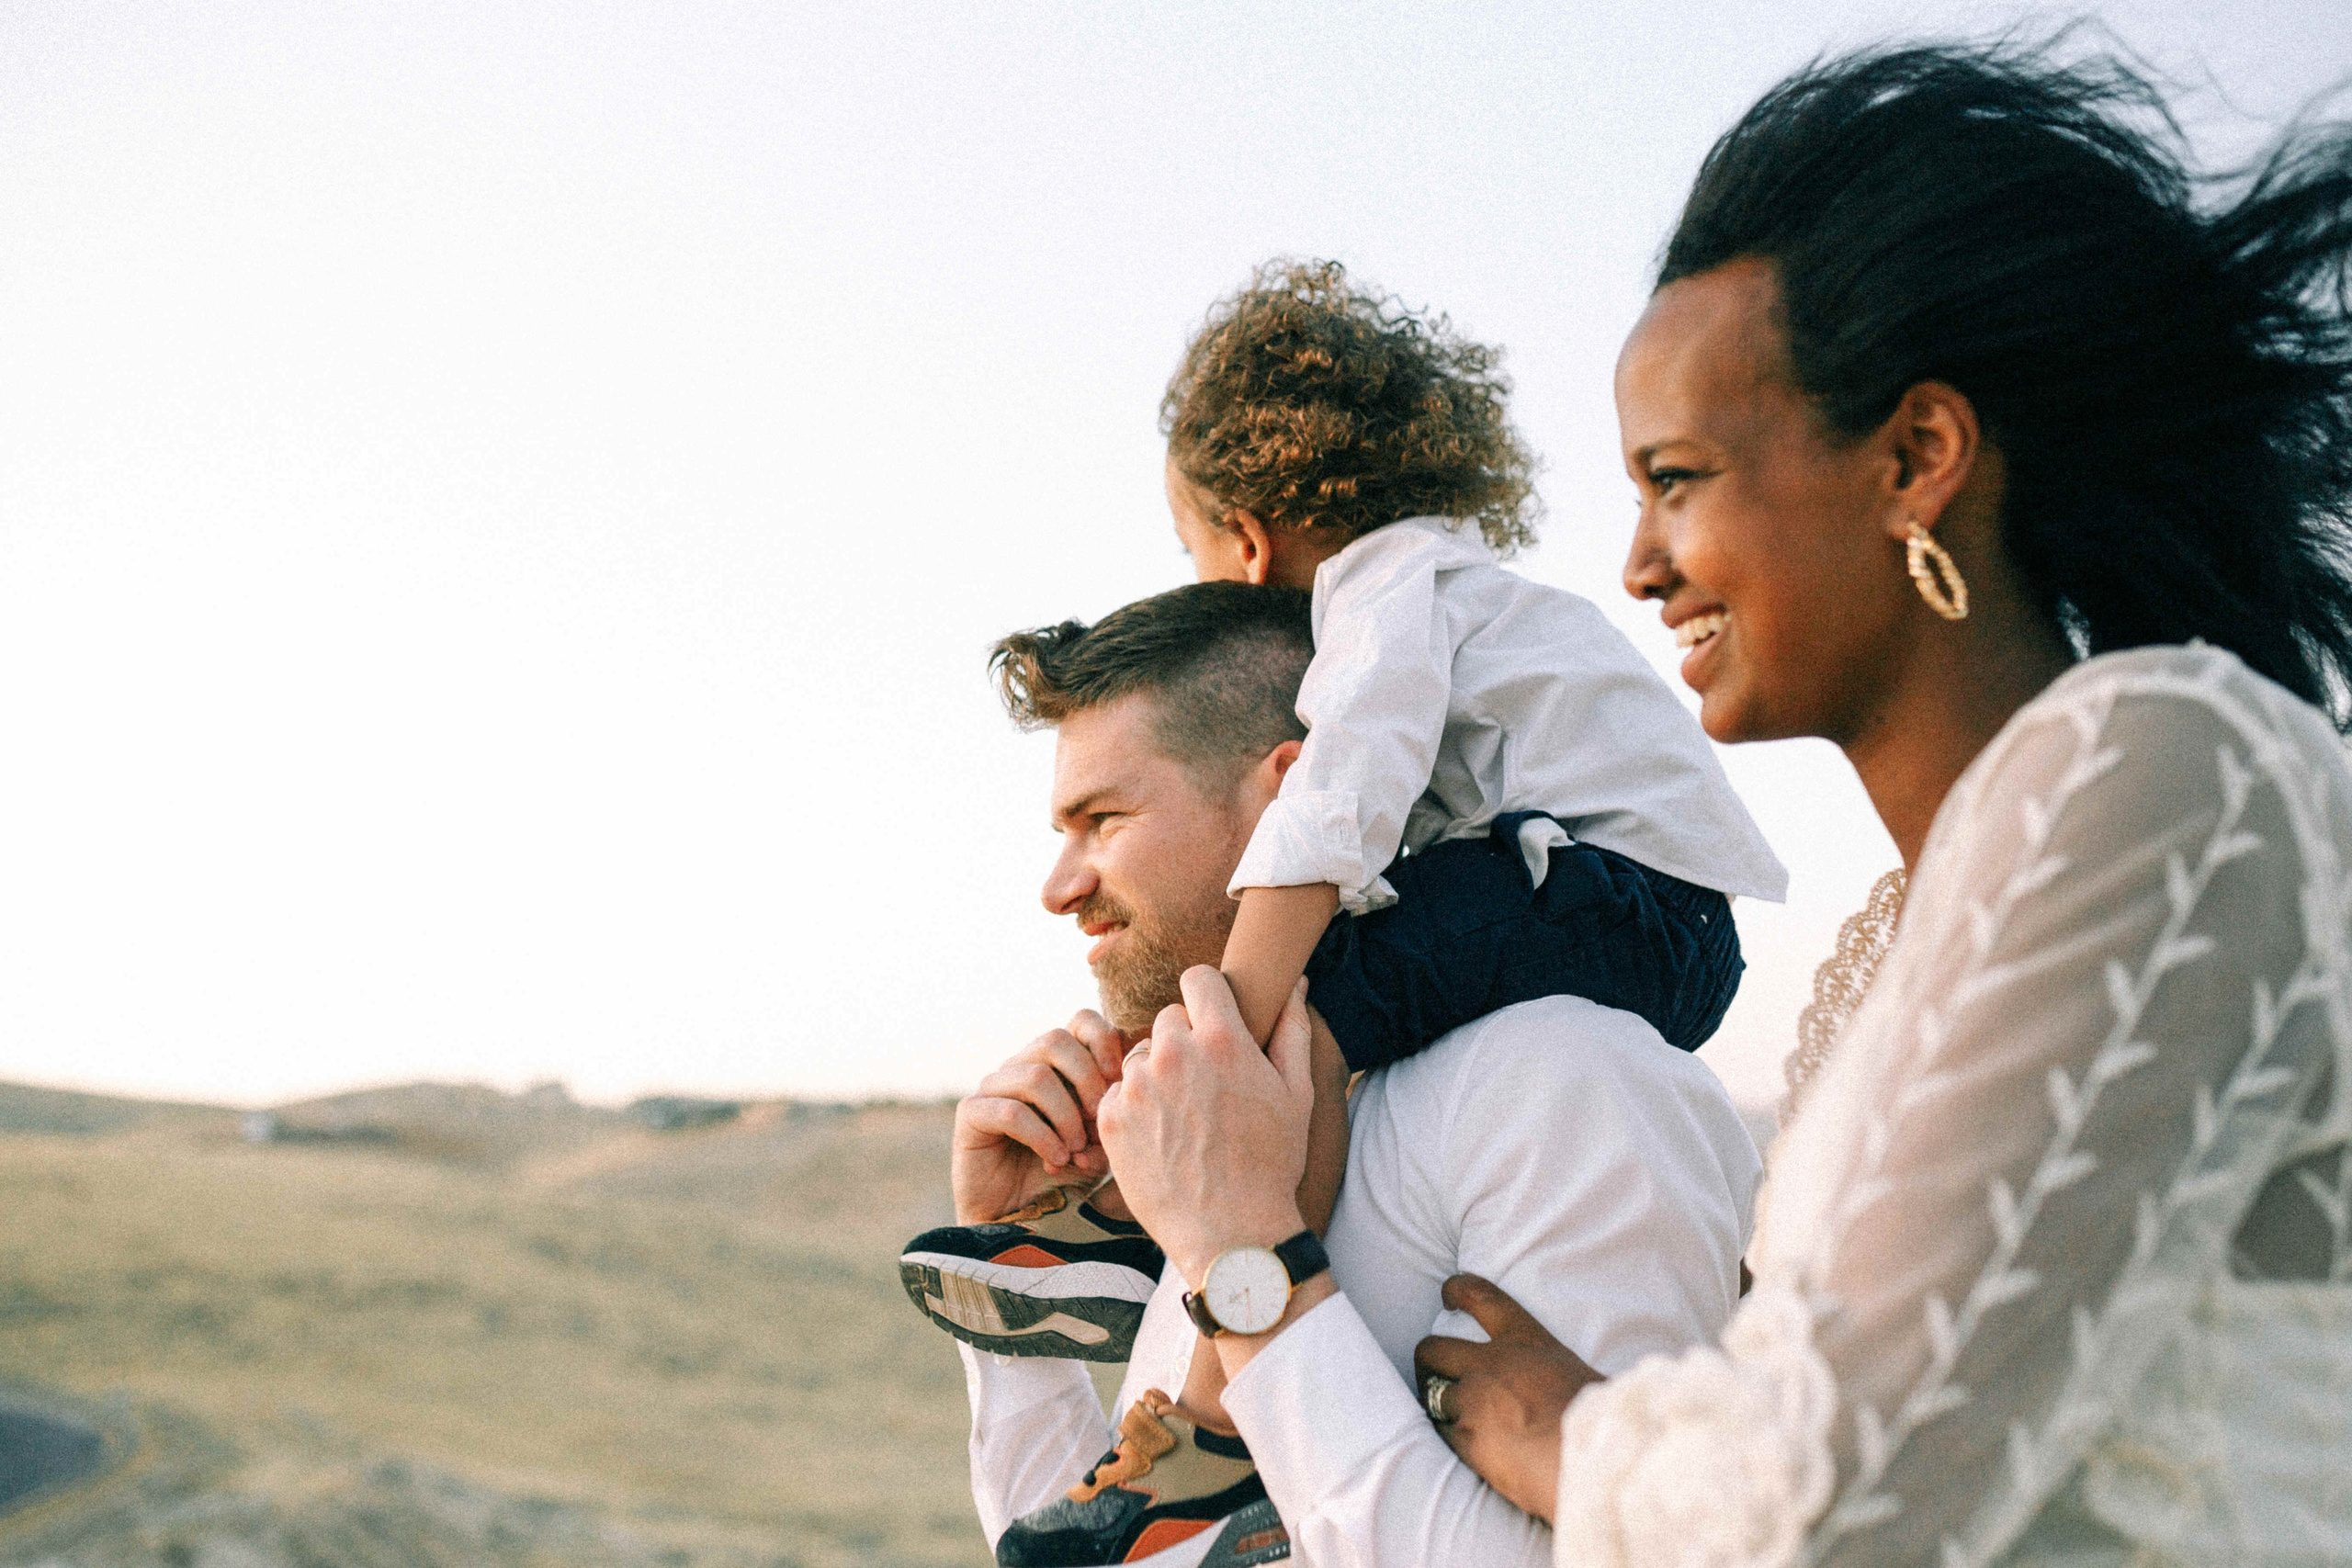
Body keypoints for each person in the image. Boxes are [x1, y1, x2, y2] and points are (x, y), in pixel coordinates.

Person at [1098, 40, 2352, 1568]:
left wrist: (1556, 1425)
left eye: (1677, 480)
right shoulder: (1905, 940)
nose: (1636, 566)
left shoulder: (2161, 766)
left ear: (1917, 458)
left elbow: (1825, 1510)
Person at [901, 261, 1786, 1471]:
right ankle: (1160, 1297)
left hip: (1628, 902)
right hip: (1616, 901)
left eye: (1102, 816)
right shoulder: (1450, 590)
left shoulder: (1390, 595)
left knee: (1306, 1019)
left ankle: (1209, 1384)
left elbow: (1337, 802)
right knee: (1312, 1023)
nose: (1061, 882)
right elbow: (1070, 1552)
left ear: (1251, 544)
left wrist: (1223, 1032)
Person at [929, 582, 1763, 1564]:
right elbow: (1118, 1555)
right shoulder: (1222, 1130)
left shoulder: (1570, 1079)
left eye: (1102, 820)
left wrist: (1252, 1265)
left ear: (1288, 797)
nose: (1059, 888)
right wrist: (1011, 1268)